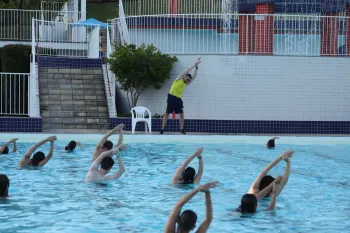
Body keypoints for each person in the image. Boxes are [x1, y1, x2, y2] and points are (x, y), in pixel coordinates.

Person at [160, 57, 202, 135]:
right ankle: (162, 129)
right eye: (187, 78)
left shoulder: (186, 84)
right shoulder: (179, 78)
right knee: (167, 113)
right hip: (171, 97)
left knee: (181, 114)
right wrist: (195, 64)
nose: (188, 80)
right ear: (184, 76)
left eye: (189, 79)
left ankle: (182, 129)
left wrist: (197, 68)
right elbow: (188, 70)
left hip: (178, 99)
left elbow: (194, 77)